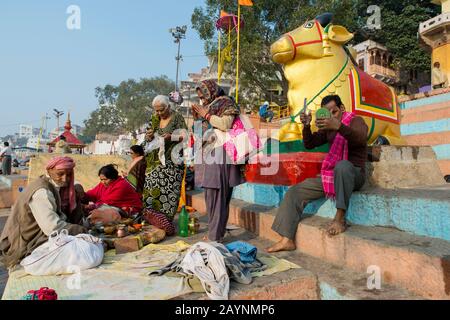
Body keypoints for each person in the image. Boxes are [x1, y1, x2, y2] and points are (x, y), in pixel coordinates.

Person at [267, 95, 368, 253]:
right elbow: (310, 143)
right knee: (294, 192)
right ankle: (287, 239)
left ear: (342, 109)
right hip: (333, 176)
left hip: (354, 174)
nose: (331, 116)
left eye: (334, 112)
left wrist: (339, 126)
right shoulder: (328, 128)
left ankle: (340, 219)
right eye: (327, 113)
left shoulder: (356, 121)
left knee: (342, 166)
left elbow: (361, 139)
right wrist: (306, 126)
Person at [0, 156, 86, 268]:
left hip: (38, 235)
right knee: (77, 251)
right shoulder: (42, 192)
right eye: (60, 174)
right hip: (25, 241)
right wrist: (82, 231)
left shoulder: (56, 186)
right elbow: (52, 228)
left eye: (69, 175)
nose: (65, 179)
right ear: (49, 171)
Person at [192, 79, 245, 242]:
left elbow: (225, 124)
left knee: (217, 196)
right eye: (200, 98)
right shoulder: (209, 107)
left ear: (211, 91)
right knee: (214, 196)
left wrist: (205, 114)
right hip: (209, 154)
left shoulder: (225, 103)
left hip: (220, 154)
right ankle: (217, 234)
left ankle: (215, 236)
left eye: (204, 96)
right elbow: (200, 133)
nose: (202, 100)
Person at [142, 95, 187, 221]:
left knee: (169, 195)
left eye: (161, 110)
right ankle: (151, 220)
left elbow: (186, 136)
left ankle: (165, 222)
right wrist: (149, 136)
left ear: (168, 106)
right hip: (154, 164)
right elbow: (147, 138)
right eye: (156, 110)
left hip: (172, 163)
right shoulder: (154, 118)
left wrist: (171, 136)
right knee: (151, 193)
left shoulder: (177, 117)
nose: (159, 113)